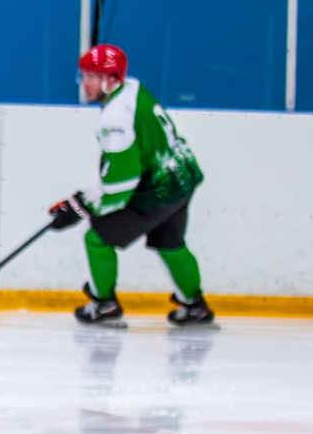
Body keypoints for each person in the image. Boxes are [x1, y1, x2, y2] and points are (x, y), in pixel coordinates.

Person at [47, 42, 215, 328]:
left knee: (96, 239)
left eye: (93, 77)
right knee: (170, 243)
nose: (85, 84)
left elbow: (121, 186)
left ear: (112, 79)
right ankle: (195, 307)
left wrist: (81, 208)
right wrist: (82, 200)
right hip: (181, 175)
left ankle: (104, 305)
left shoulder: (115, 120)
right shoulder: (133, 88)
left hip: (157, 189)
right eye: (84, 76)